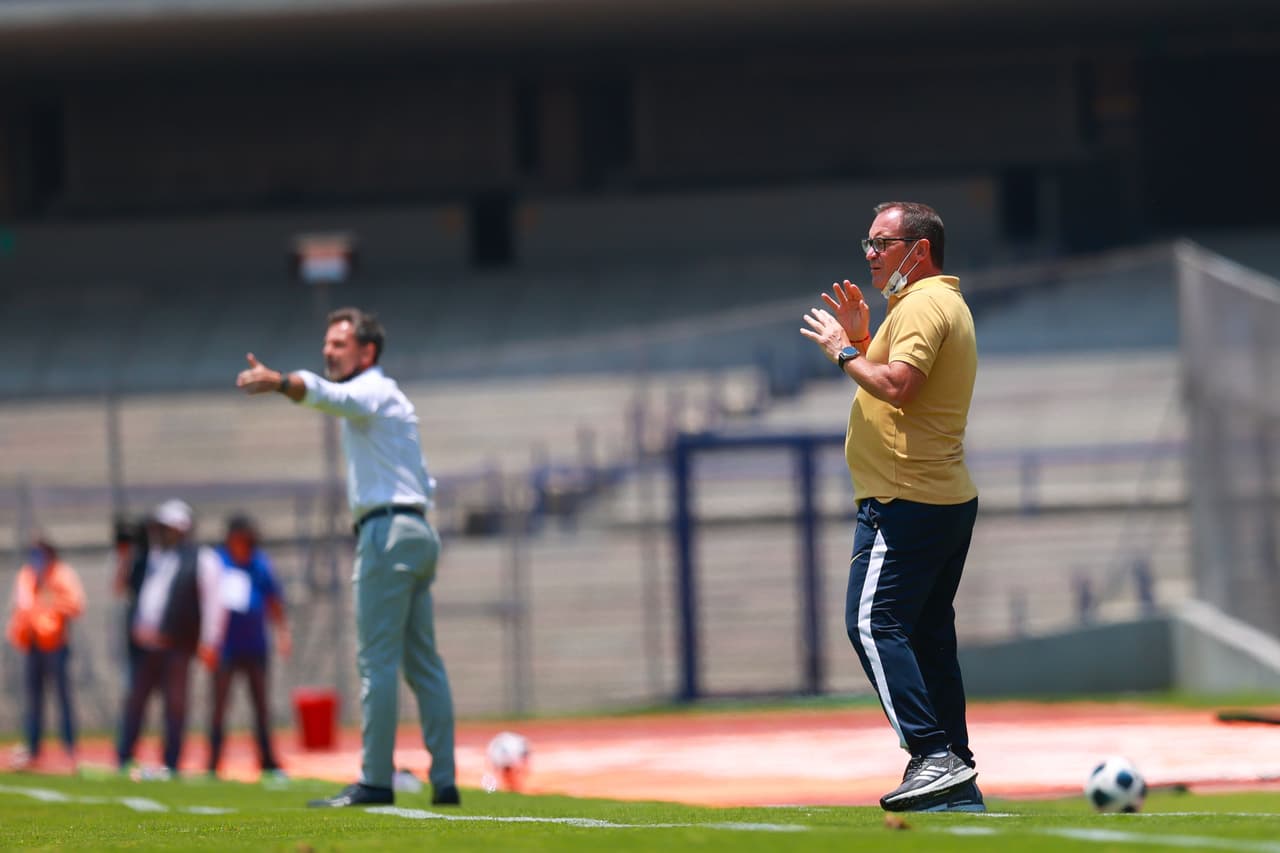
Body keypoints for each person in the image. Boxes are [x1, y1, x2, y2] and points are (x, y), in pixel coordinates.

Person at [235, 306, 458, 808]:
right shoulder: (392, 395)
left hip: (386, 531)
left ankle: (377, 781)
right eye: (327, 343)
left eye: (338, 344)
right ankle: (444, 781)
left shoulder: (372, 389)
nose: (328, 351)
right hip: (418, 528)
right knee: (424, 664)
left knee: (376, 662)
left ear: (367, 351)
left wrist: (279, 382)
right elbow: (424, 477)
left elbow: (331, 396)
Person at [800, 201, 982, 813]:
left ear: (919, 250)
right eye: (869, 244)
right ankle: (957, 779)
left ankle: (931, 755)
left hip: (907, 496)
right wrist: (859, 338)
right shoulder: (925, 305)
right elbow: (897, 382)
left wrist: (843, 352)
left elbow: (899, 387)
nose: (871, 256)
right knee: (928, 638)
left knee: (872, 624)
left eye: (882, 244)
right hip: (937, 495)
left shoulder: (926, 304)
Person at [115, 499, 226, 779]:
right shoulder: (149, 557)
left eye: (166, 528)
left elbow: (214, 601)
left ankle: (171, 762)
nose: (160, 533)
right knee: (135, 702)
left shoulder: (201, 558)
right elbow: (120, 587)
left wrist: (210, 641)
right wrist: (126, 553)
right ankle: (125, 757)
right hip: (144, 646)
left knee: (175, 705)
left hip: (177, 646)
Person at [207, 514, 290, 781]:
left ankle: (267, 760)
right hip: (225, 647)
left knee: (262, 707)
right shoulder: (217, 562)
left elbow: (274, 600)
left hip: (255, 646)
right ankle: (213, 761)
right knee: (219, 707)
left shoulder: (260, 562)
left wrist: (283, 633)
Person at [5, 533, 85, 770]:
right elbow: (20, 607)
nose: (36, 557)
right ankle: (33, 748)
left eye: (40, 552)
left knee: (62, 696)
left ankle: (70, 746)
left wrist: (50, 602)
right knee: (33, 699)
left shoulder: (62, 574)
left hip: (55, 645)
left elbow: (76, 604)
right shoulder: (27, 575)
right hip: (32, 644)